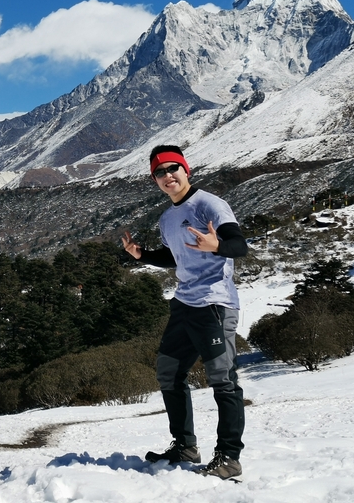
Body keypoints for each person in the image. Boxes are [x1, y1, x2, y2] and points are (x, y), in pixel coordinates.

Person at [121, 144, 248, 479]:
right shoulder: (167, 217)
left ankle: (229, 457)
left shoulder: (209, 205)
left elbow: (239, 245)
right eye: (159, 172)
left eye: (172, 168)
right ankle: (185, 446)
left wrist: (218, 246)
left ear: (185, 169)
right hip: (185, 304)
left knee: (223, 380)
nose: (167, 176)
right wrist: (143, 255)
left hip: (214, 304)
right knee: (169, 373)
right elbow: (174, 256)